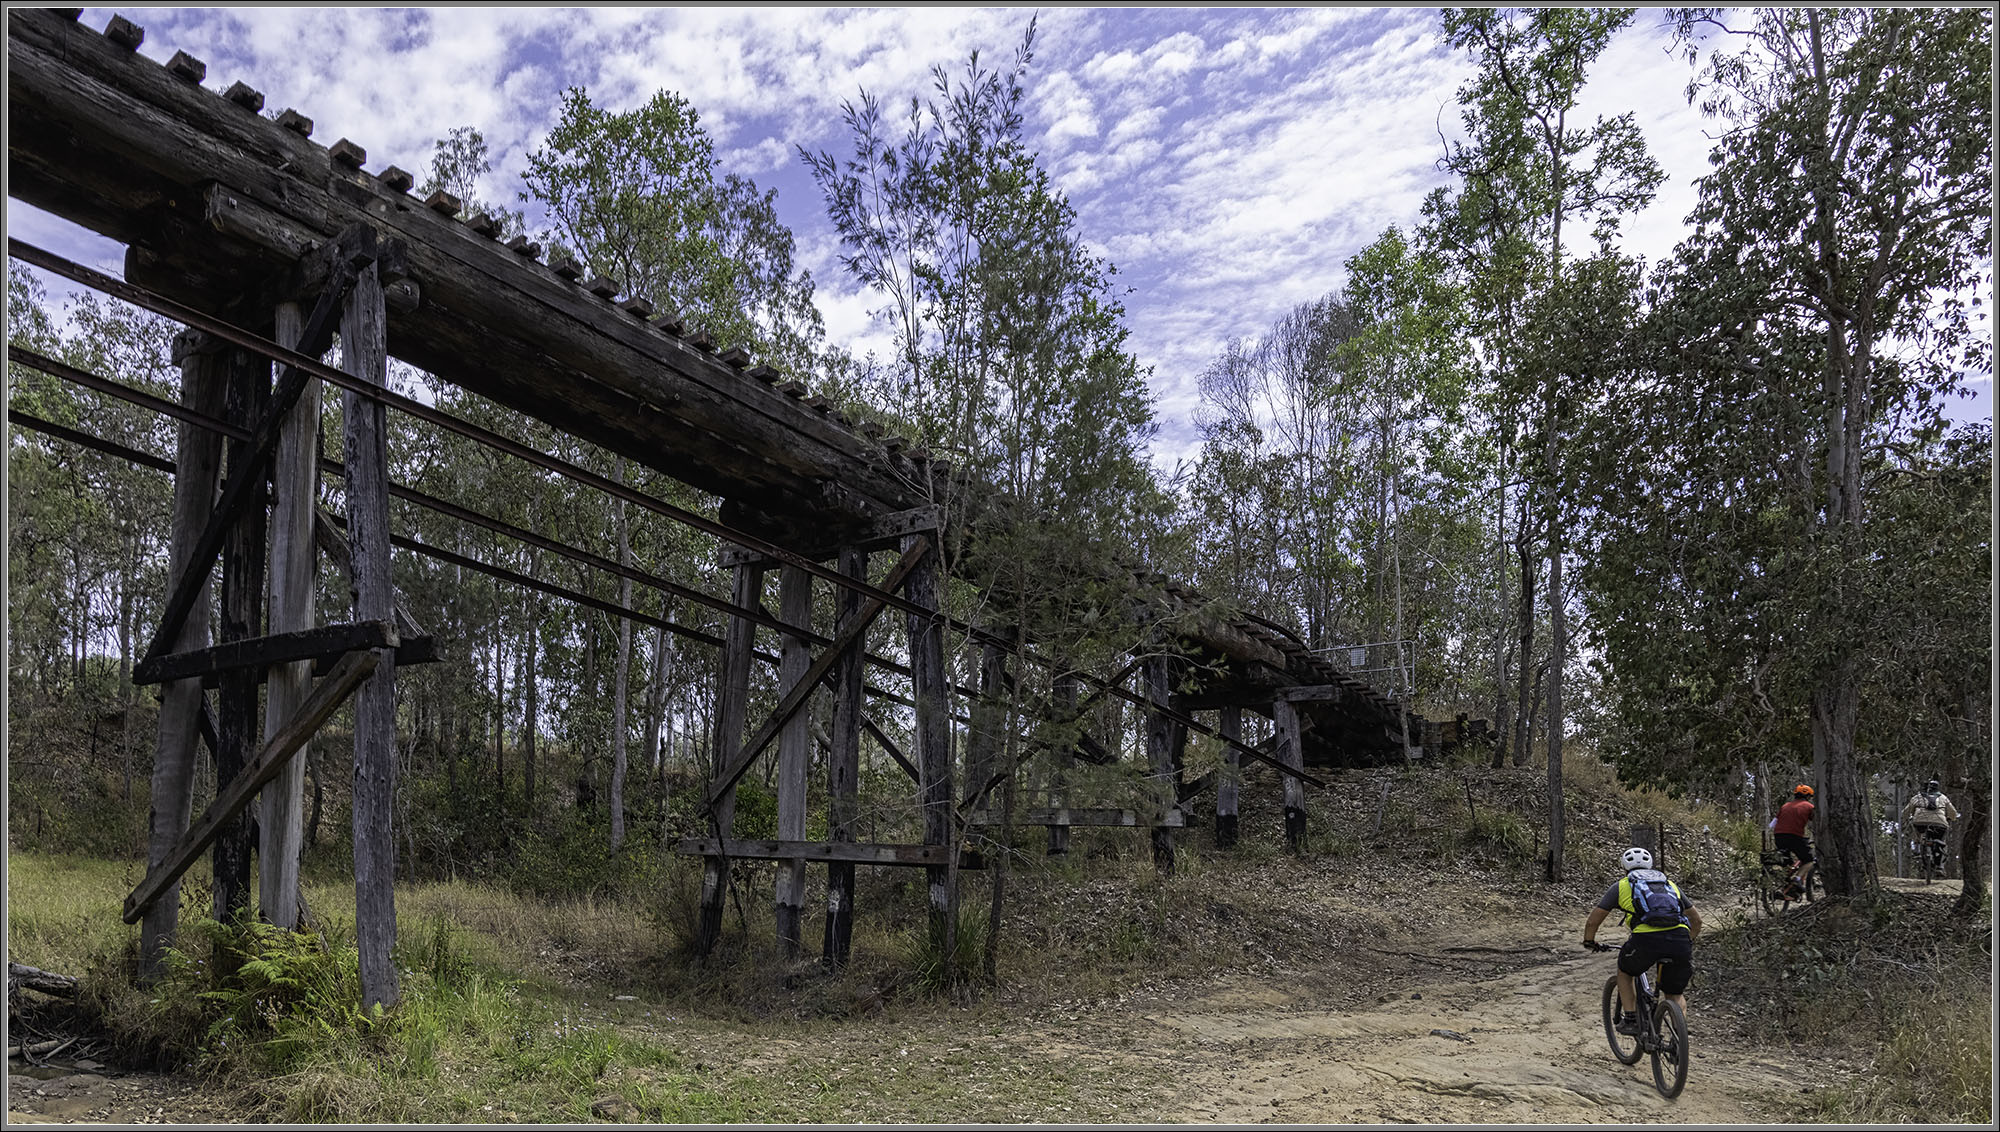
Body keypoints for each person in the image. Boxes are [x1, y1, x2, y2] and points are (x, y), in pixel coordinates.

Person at [1582, 847, 1703, 1034]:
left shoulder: (1621, 886)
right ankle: (1679, 1042)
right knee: (1674, 994)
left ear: (1624, 867)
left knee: (1625, 970)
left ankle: (1631, 1019)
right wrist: (1688, 941)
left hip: (1646, 940)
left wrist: (1589, 941)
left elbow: (1593, 921)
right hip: (1679, 939)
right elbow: (1696, 920)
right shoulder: (1669, 884)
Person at [1900, 779, 1960, 876]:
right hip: (1939, 823)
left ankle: (1918, 847)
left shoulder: (1917, 797)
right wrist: (1952, 818)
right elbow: (1953, 813)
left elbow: (1906, 812)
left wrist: (1905, 818)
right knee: (1940, 840)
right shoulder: (1943, 797)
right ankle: (1939, 866)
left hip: (1920, 822)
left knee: (1918, 833)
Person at [1772, 784, 1817, 898]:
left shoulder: (1785, 805)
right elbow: (1816, 821)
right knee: (1809, 860)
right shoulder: (1809, 807)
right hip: (1795, 836)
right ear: (1808, 796)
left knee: (1788, 864)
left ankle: (1786, 888)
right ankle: (1797, 880)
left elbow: (1773, 823)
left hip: (1778, 836)